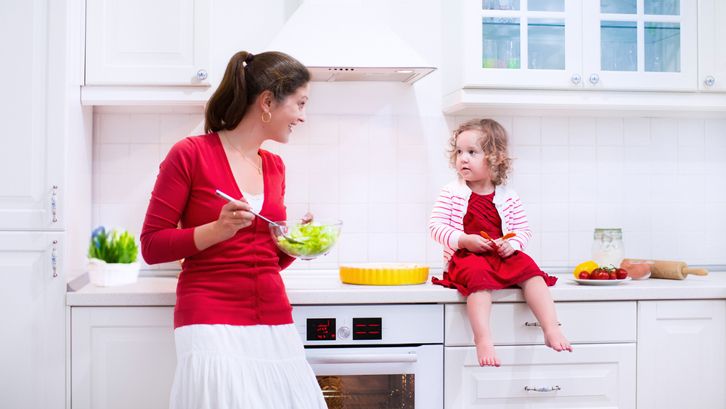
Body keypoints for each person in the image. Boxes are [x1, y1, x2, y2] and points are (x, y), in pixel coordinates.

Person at [140, 51, 327, 409]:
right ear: (268, 102)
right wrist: (216, 229)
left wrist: (294, 246)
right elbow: (151, 245)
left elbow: (265, 258)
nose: (303, 116)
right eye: (300, 103)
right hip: (209, 314)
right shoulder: (190, 153)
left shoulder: (274, 167)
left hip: (273, 315)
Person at [428, 118, 572, 367]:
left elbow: (523, 230)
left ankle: (551, 328)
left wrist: (512, 245)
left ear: (494, 158)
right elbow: (436, 227)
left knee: (532, 273)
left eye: (472, 152)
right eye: (459, 152)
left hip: (501, 256)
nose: (463, 158)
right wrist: (463, 240)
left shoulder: (508, 195)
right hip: (466, 256)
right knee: (478, 278)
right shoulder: (450, 192)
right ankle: (483, 339)